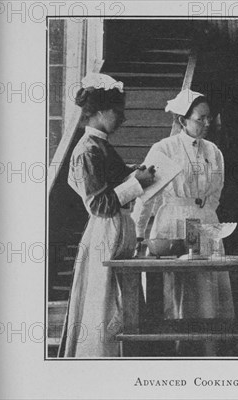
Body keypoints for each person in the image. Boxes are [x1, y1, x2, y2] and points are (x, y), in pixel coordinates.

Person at [131, 89, 234, 355]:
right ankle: (177, 350)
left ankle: (209, 349)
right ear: (182, 120)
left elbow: (215, 193)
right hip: (173, 221)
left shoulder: (214, 151)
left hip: (204, 222)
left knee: (207, 290)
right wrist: (137, 233)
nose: (207, 123)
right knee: (177, 290)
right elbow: (146, 197)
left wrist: (203, 219)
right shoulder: (163, 149)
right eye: (201, 119)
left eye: (209, 118)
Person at [63, 73, 155, 357]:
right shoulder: (87, 150)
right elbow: (99, 204)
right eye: (118, 112)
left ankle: (122, 354)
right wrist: (137, 183)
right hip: (105, 230)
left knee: (120, 295)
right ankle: (101, 356)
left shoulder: (100, 146)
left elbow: (112, 180)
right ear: (101, 111)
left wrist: (131, 172)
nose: (123, 118)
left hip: (118, 228)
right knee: (104, 300)